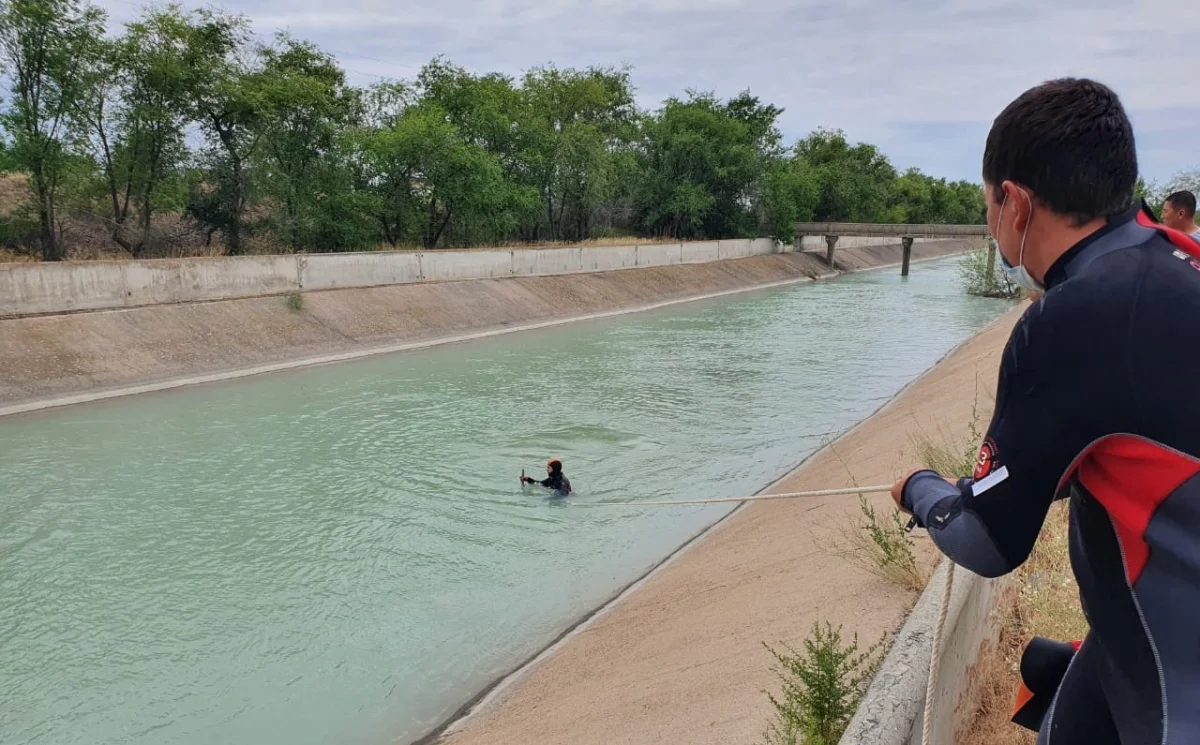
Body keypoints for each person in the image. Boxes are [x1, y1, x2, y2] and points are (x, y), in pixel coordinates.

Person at [890, 78, 1200, 745]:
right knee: (1061, 702)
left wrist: (920, 488)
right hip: (1138, 631)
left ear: (1016, 203)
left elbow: (988, 538)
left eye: (987, 205)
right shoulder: (1172, 263)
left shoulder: (1073, 317)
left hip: (1177, 684)